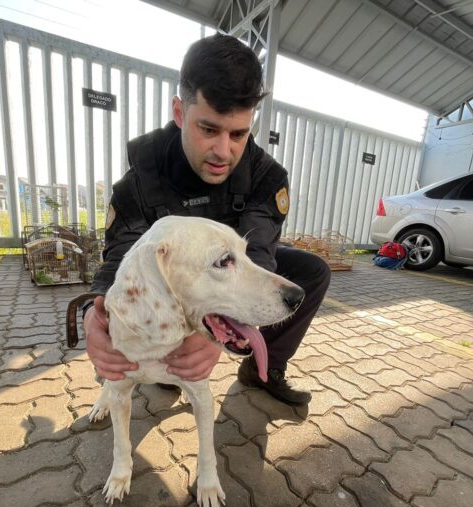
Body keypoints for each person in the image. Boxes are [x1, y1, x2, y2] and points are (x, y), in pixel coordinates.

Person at [81, 34, 331, 406]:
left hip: (230, 268)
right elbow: (121, 257)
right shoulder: (140, 182)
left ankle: (266, 367)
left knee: (312, 271)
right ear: (180, 113)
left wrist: (215, 337)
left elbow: (259, 252)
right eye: (209, 129)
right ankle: (165, 360)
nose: (223, 151)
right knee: (164, 371)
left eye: (239, 134)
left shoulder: (266, 176)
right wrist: (92, 314)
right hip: (177, 278)